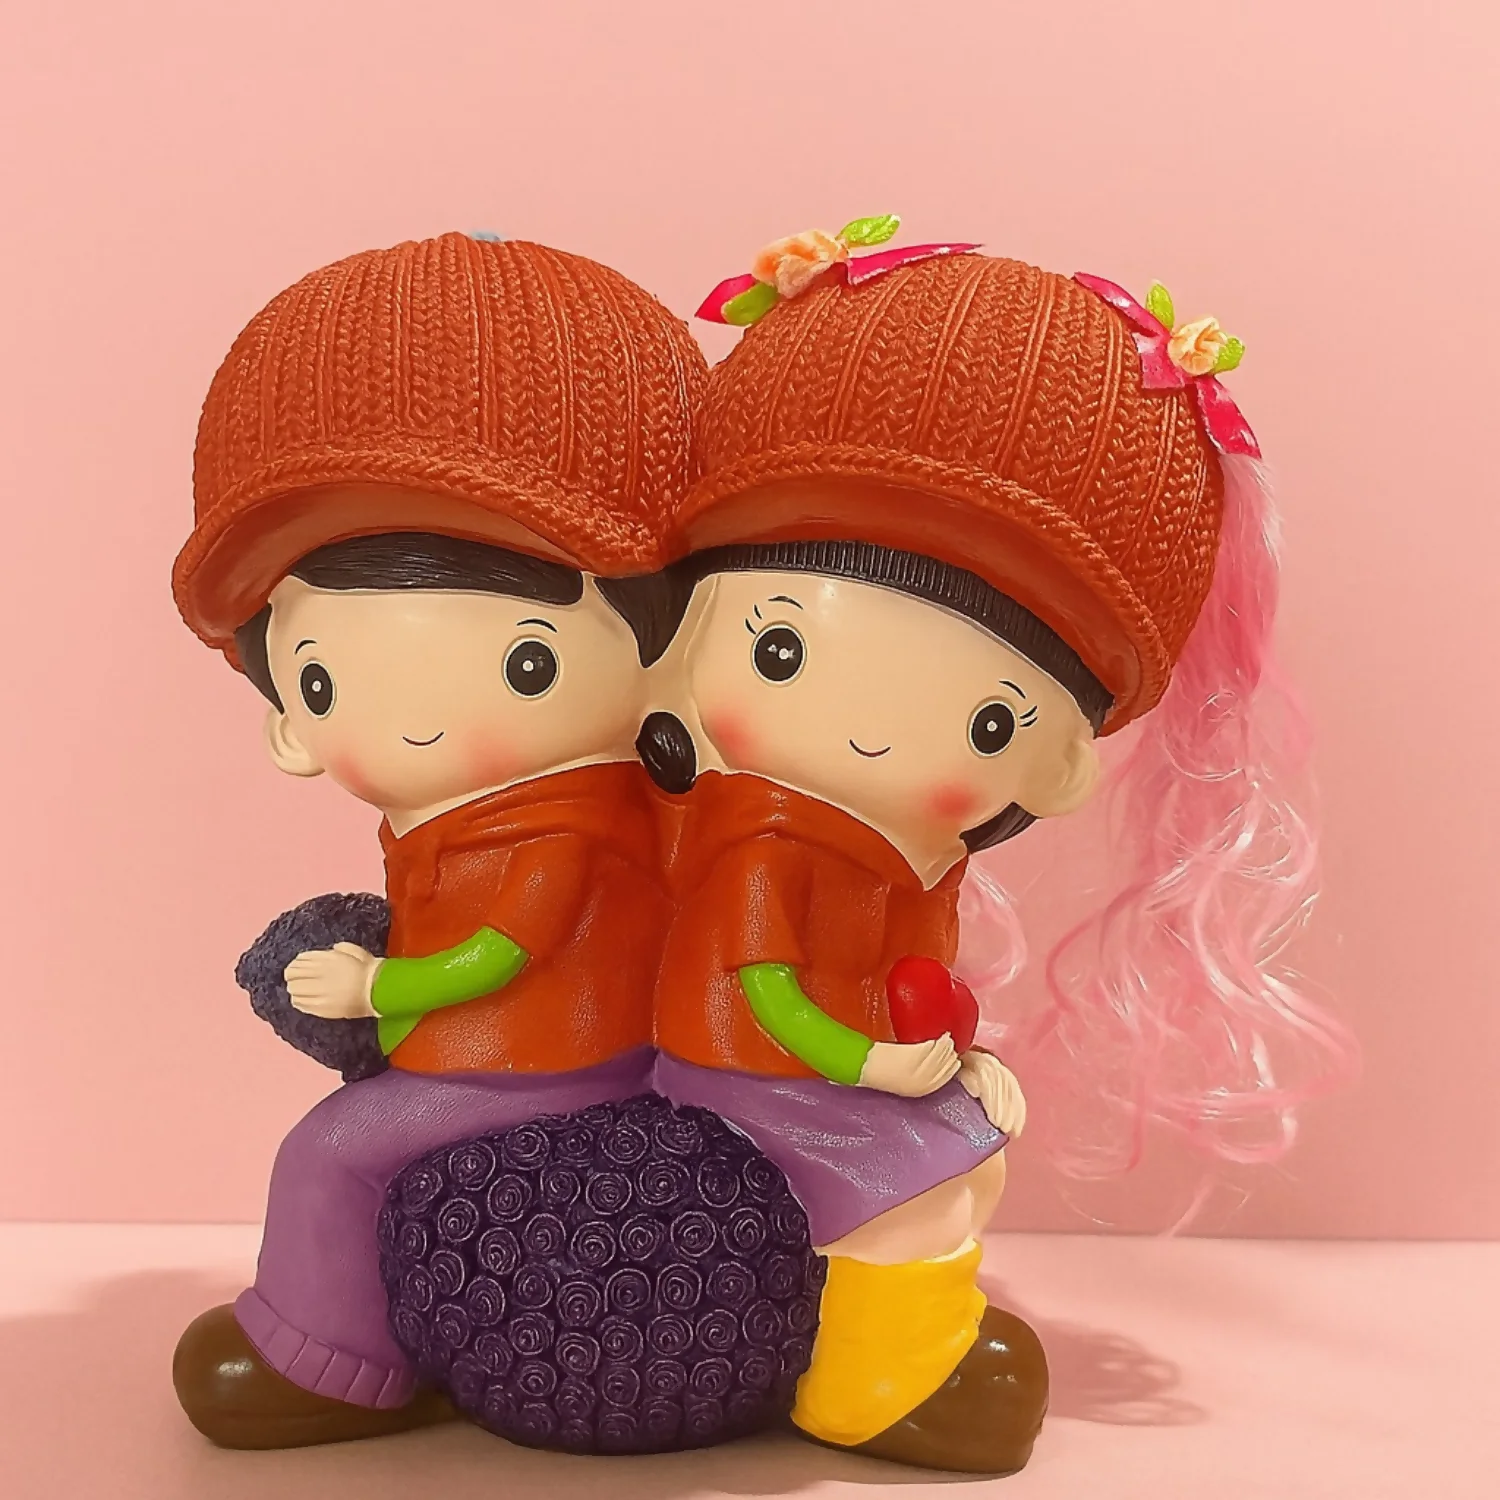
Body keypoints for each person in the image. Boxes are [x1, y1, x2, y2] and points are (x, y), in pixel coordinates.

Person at [638, 223, 1350, 1474]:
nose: (867, 733)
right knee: (920, 1182)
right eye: (781, 651)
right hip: (741, 1070)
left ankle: (891, 1341)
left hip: (822, 1072)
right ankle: (879, 1387)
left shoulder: (913, 858)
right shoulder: (769, 836)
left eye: (986, 722)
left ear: (1058, 765)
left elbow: (903, 979)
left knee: (960, 1165)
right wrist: (871, 1063)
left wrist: (951, 1059)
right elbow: (759, 987)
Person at [168, 231, 706, 1449]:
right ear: (286, 719)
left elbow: (505, 952)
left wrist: (380, 987)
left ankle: (326, 1359)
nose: (416, 720)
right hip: (484, 1058)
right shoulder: (449, 815)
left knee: (332, 1155)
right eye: (326, 678)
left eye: (526, 663)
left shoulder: (570, 816)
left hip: (548, 1066)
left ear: (663, 647)